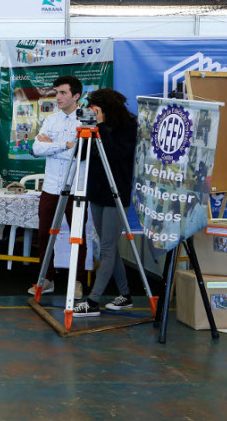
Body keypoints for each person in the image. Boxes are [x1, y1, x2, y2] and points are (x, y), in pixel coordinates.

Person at [73, 89, 138, 316]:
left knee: (108, 247)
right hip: (97, 191)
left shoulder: (128, 127)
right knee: (106, 244)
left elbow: (115, 155)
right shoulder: (95, 126)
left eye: (95, 108)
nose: (92, 111)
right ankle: (125, 295)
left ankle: (93, 301)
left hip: (116, 192)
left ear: (106, 108)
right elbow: (79, 156)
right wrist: (85, 130)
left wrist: (100, 127)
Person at [29, 75, 88, 298]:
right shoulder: (51, 119)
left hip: (76, 188)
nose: (58, 97)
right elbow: (36, 149)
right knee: (44, 234)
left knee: (77, 236)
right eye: (57, 92)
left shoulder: (85, 121)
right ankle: (47, 278)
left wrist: (51, 147)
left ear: (76, 96)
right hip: (51, 186)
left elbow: (82, 155)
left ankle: (78, 280)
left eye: (63, 93)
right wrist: (65, 145)